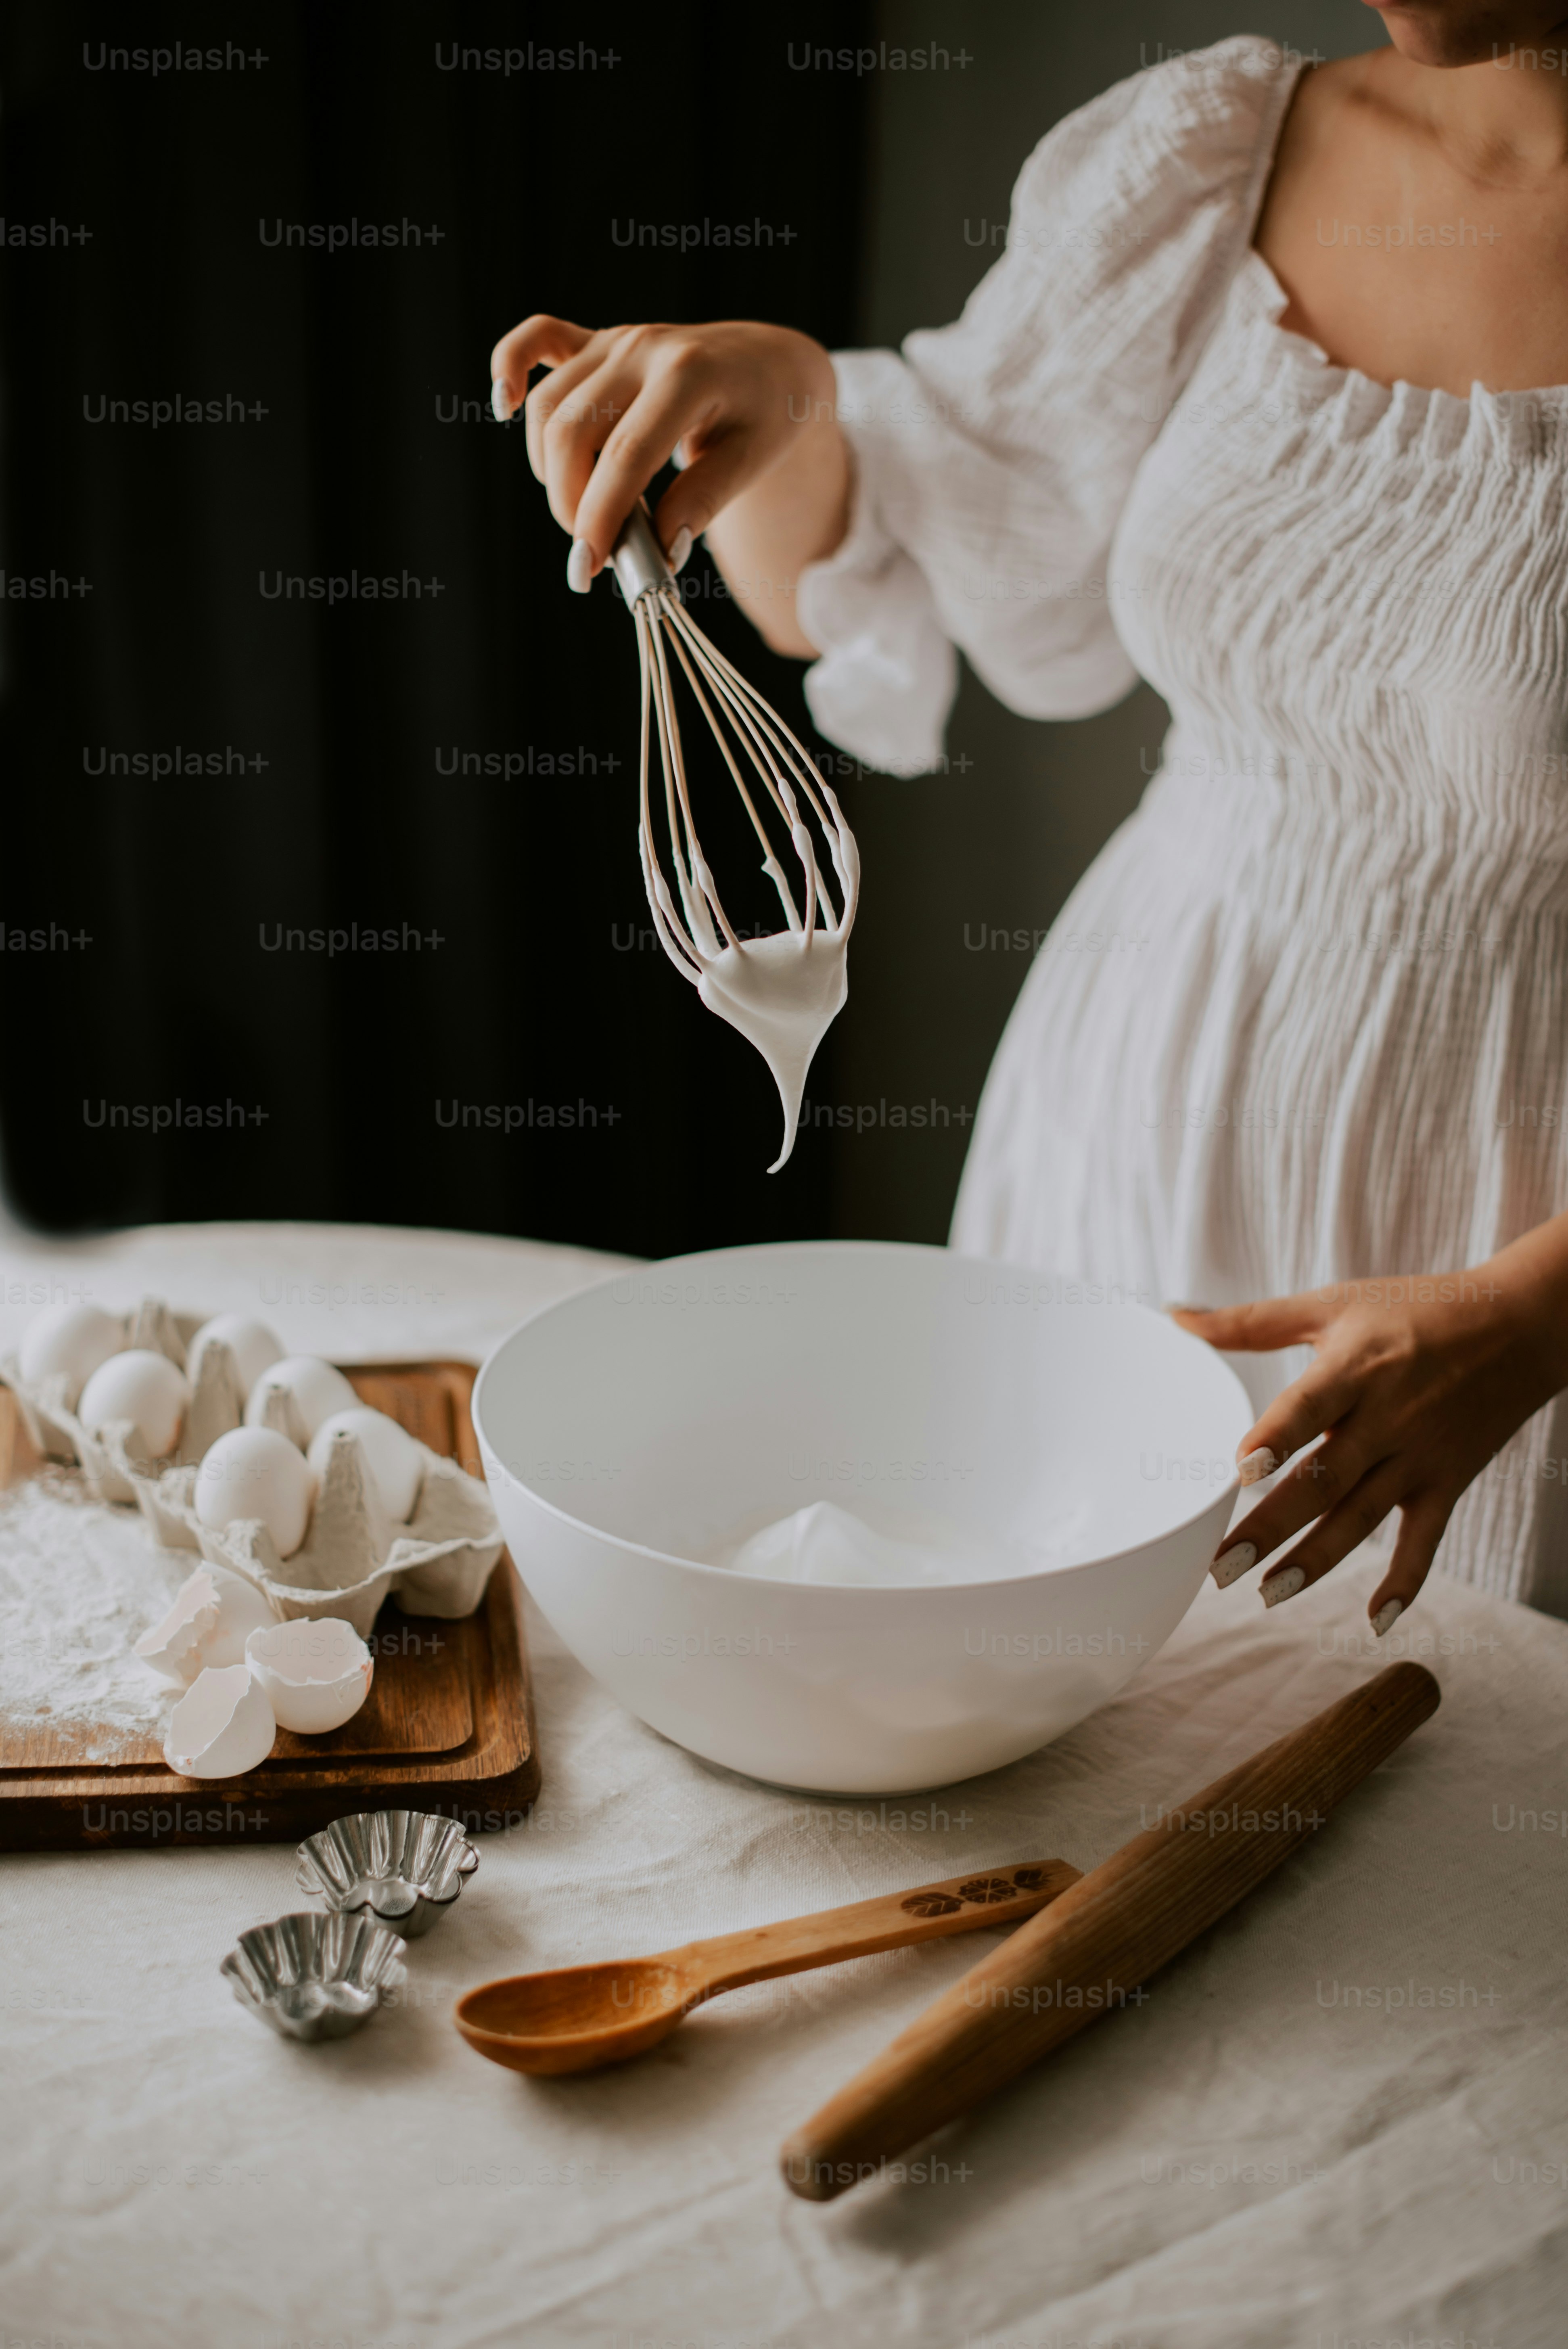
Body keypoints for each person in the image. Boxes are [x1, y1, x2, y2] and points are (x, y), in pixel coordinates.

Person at [490, 8, 1568, 1627]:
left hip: (1507, 1237)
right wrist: (787, 396)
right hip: (1127, 1121)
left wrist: (1529, 1320)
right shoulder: (1224, 154)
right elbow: (885, 554)